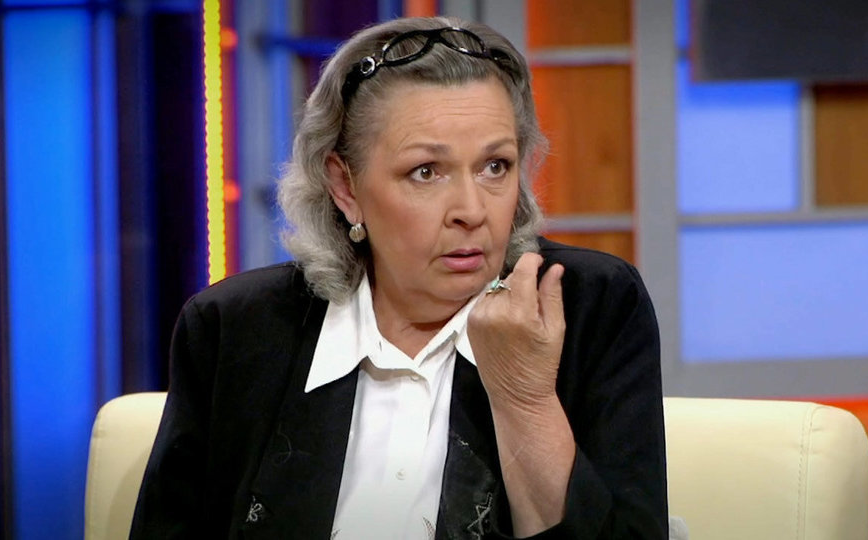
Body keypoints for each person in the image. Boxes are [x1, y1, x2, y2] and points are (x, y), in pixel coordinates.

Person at [130, 16, 667, 540]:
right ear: (345, 187)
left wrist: (523, 398)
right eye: (425, 172)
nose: (471, 210)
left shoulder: (590, 307)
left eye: (495, 166)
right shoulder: (235, 329)